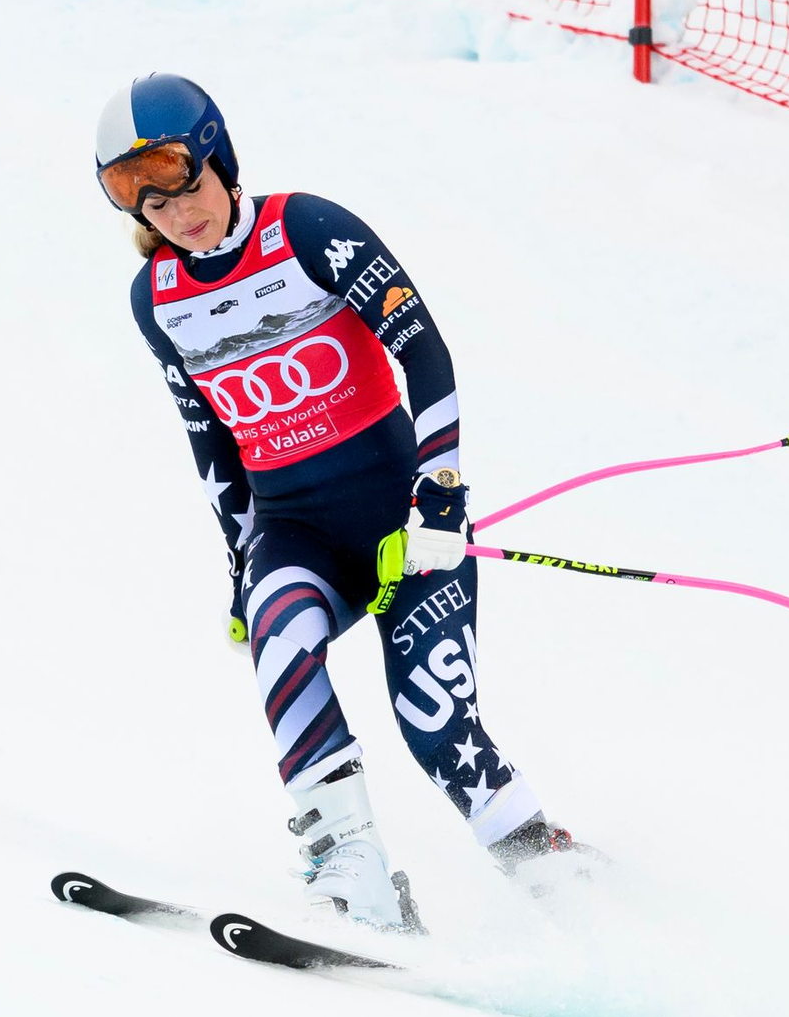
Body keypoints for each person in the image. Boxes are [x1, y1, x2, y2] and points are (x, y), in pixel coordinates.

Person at [95, 72, 571, 930]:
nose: (175, 213)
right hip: (296, 531)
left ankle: (558, 884)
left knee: (433, 721)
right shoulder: (156, 300)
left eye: (184, 182)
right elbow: (212, 442)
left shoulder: (306, 229)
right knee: (279, 636)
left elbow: (423, 351)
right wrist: (241, 565)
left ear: (221, 159)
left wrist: (440, 500)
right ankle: (352, 874)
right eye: (148, 203)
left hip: (405, 520)